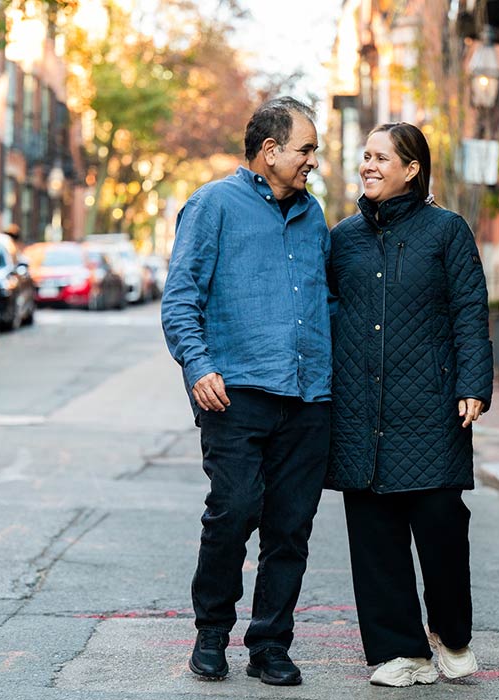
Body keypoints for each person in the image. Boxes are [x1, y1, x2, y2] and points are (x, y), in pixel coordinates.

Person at [161, 97, 331, 687]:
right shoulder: (212, 206)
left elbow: (326, 301)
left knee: (290, 527)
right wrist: (198, 366)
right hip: (234, 393)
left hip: (309, 397)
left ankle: (270, 644)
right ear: (270, 151)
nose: (314, 159)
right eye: (306, 148)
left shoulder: (315, 217)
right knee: (233, 513)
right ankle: (211, 634)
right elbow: (181, 298)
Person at [326, 122, 493, 687]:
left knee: (443, 527)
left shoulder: (448, 231)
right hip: (358, 409)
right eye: (364, 156)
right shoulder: (342, 237)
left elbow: (471, 309)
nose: (367, 165)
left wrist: (472, 382)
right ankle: (399, 651)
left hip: (431, 406)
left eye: (379, 157)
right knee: (375, 537)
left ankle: (451, 633)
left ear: (411, 168)